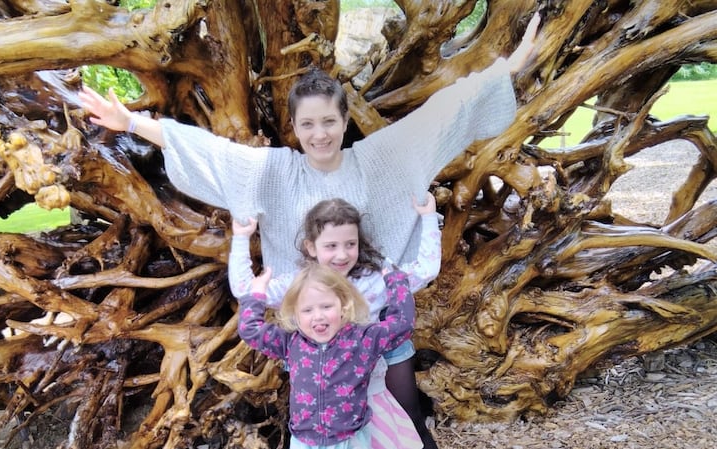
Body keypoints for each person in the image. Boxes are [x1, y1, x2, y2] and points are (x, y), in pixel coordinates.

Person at [78, 14, 540, 448]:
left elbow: (442, 114)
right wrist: (133, 123)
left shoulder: (376, 157)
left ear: (344, 121)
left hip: (377, 316)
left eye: (329, 122)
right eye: (308, 124)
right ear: (295, 127)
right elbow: (212, 152)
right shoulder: (277, 170)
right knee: (333, 423)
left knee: (406, 417)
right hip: (321, 329)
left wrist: (509, 67)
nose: (320, 134)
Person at [229, 194, 438, 448]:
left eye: (350, 244)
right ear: (311, 247)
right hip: (323, 395)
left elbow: (425, 272)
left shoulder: (371, 279)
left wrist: (428, 217)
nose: (342, 254)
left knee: (403, 426)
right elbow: (243, 289)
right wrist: (241, 238)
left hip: (370, 378)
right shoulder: (300, 285)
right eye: (331, 246)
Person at [237, 262, 416, 449]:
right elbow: (250, 330)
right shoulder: (291, 344)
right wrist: (256, 293)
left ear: (344, 306)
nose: (318, 316)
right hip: (304, 442)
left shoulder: (363, 340)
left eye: (326, 306)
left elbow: (402, 324)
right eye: (307, 310)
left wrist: (396, 281)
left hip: (350, 441)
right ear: (295, 314)